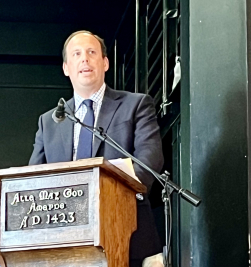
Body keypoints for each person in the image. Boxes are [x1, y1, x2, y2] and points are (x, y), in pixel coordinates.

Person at [29, 30, 164, 267]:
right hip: (65, 243)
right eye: (77, 54)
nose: (85, 59)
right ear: (66, 68)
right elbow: (33, 180)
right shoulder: (49, 121)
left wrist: (110, 201)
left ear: (105, 62)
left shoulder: (136, 105)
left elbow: (149, 161)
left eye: (92, 52)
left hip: (127, 235)